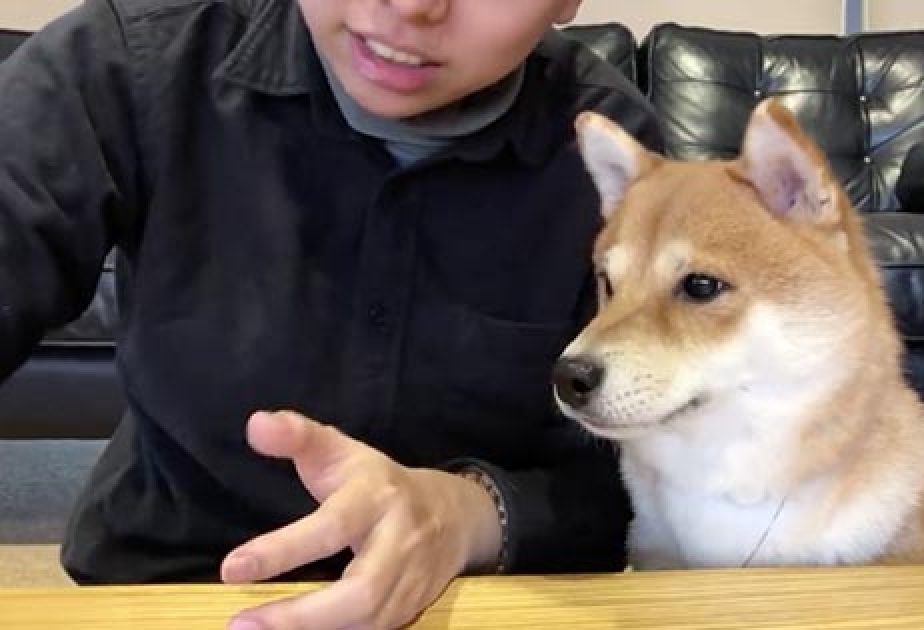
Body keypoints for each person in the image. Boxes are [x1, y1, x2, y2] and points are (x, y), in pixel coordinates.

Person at [0, 0, 662, 628]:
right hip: (169, 584)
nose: (411, 9)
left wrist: (469, 513)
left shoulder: (613, 155)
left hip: (481, 599)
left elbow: (636, 480)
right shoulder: (136, 57)